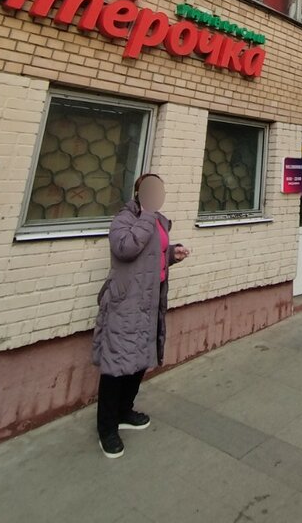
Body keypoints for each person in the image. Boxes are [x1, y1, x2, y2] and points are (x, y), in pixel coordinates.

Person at [92, 172, 190, 458]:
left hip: (150, 302)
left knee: (139, 360)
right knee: (116, 365)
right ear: (139, 193)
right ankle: (107, 429)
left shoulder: (157, 219)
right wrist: (147, 215)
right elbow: (125, 248)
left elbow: (151, 251)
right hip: (126, 303)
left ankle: (125, 411)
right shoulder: (126, 219)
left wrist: (172, 253)